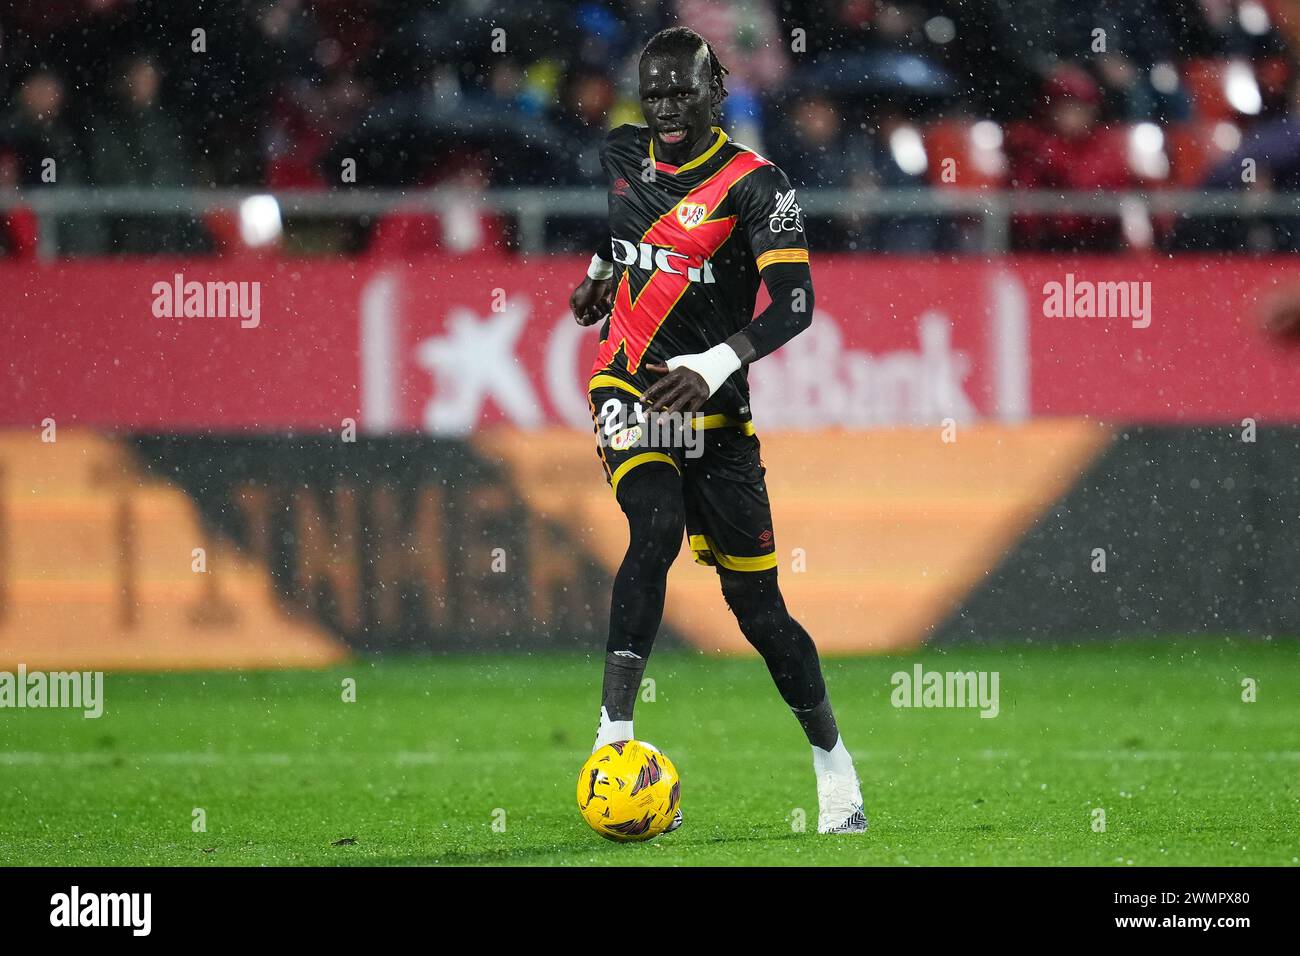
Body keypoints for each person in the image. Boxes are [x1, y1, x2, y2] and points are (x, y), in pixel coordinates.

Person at [568, 26, 866, 835]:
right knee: (654, 525)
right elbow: (621, 226)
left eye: (681, 92)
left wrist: (715, 361)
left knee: (760, 611)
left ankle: (832, 760)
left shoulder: (757, 185)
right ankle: (614, 731)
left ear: (715, 91)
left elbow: (796, 305)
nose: (665, 108)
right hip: (627, 384)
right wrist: (598, 278)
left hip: (718, 412)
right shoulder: (621, 153)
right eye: (653, 92)